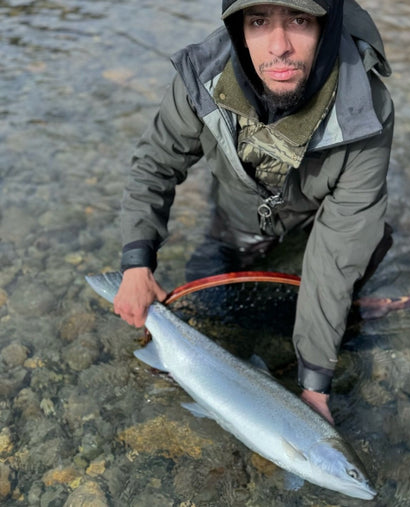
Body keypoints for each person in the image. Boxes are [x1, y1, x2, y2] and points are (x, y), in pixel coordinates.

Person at [113, 0, 394, 425]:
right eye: (259, 22)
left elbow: (337, 251)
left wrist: (315, 383)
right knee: (211, 323)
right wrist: (136, 264)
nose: (278, 46)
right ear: (236, 28)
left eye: (299, 21)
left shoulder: (366, 115)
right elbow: (156, 164)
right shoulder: (201, 79)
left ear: (327, 25)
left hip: (314, 230)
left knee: (346, 291)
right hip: (236, 226)